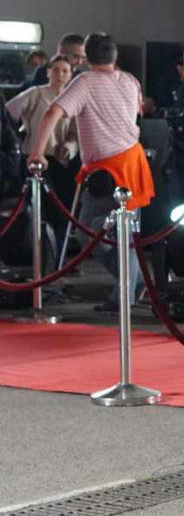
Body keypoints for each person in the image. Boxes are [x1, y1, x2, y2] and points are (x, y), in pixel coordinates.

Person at [26, 33, 153, 313]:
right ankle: (132, 283)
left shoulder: (85, 82)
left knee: (94, 233)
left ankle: (128, 290)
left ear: (86, 57)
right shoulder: (130, 81)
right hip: (131, 163)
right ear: (114, 55)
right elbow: (138, 113)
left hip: (109, 170)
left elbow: (53, 112)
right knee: (120, 234)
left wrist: (37, 152)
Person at [6, 56, 80, 227]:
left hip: (59, 159)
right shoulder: (36, 93)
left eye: (64, 71)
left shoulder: (74, 99)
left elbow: (75, 134)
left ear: (70, 75)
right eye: (55, 70)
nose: (60, 75)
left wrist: (69, 148)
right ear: (48, 73)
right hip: (32, 155)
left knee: (59, 210)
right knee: (31, 207)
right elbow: (9, 111)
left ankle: (55, 249)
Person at [21, 33, 86, 91]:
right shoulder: (42, 72)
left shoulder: (79, 76)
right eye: (75, 56)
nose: (80, 62)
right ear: (61, 52)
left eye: (83, 57)